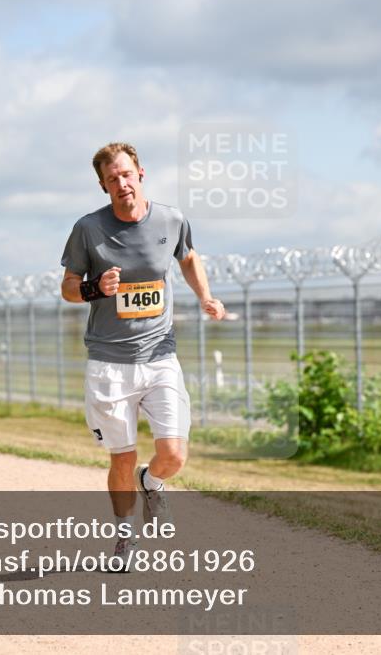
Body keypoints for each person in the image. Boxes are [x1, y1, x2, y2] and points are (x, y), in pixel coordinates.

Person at [60, 142, 225, 566]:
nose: (122, 183)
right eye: (112, 178)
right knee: (122, 456)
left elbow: (188, 257)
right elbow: (68, 288)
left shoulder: (171, 219)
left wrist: (205, 297)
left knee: (174, 454)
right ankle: (125, 537)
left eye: (126, 174)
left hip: (159, 355)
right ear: (103, 185)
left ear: (141, 174)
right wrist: (97, 288)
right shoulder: (88, 229)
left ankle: (151, 482)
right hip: (109, 362)